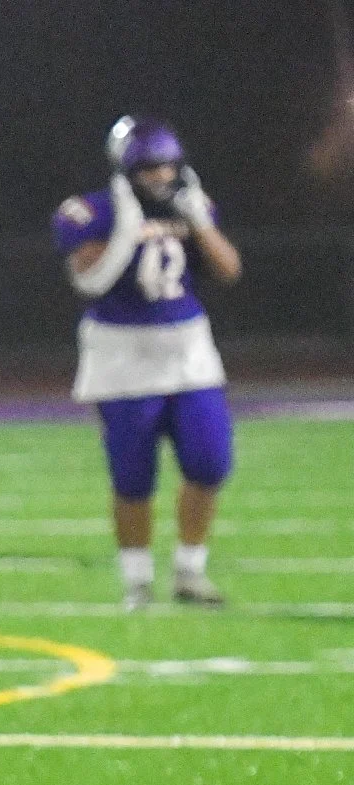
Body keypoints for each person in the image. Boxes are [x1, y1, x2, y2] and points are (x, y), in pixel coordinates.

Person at [53, 117, 241, 609]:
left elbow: (228, 269)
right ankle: (137, 581)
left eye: (168, 165)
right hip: (122, 355)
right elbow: (89, 282)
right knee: (133, 477)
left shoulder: (192, 205)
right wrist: (125, 229)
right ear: (127, 169)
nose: (162, 175)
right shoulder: (91, 211)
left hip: (188, 350)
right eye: (150, 166)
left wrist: (200, 223)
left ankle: (190, 573)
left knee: (210, 461)